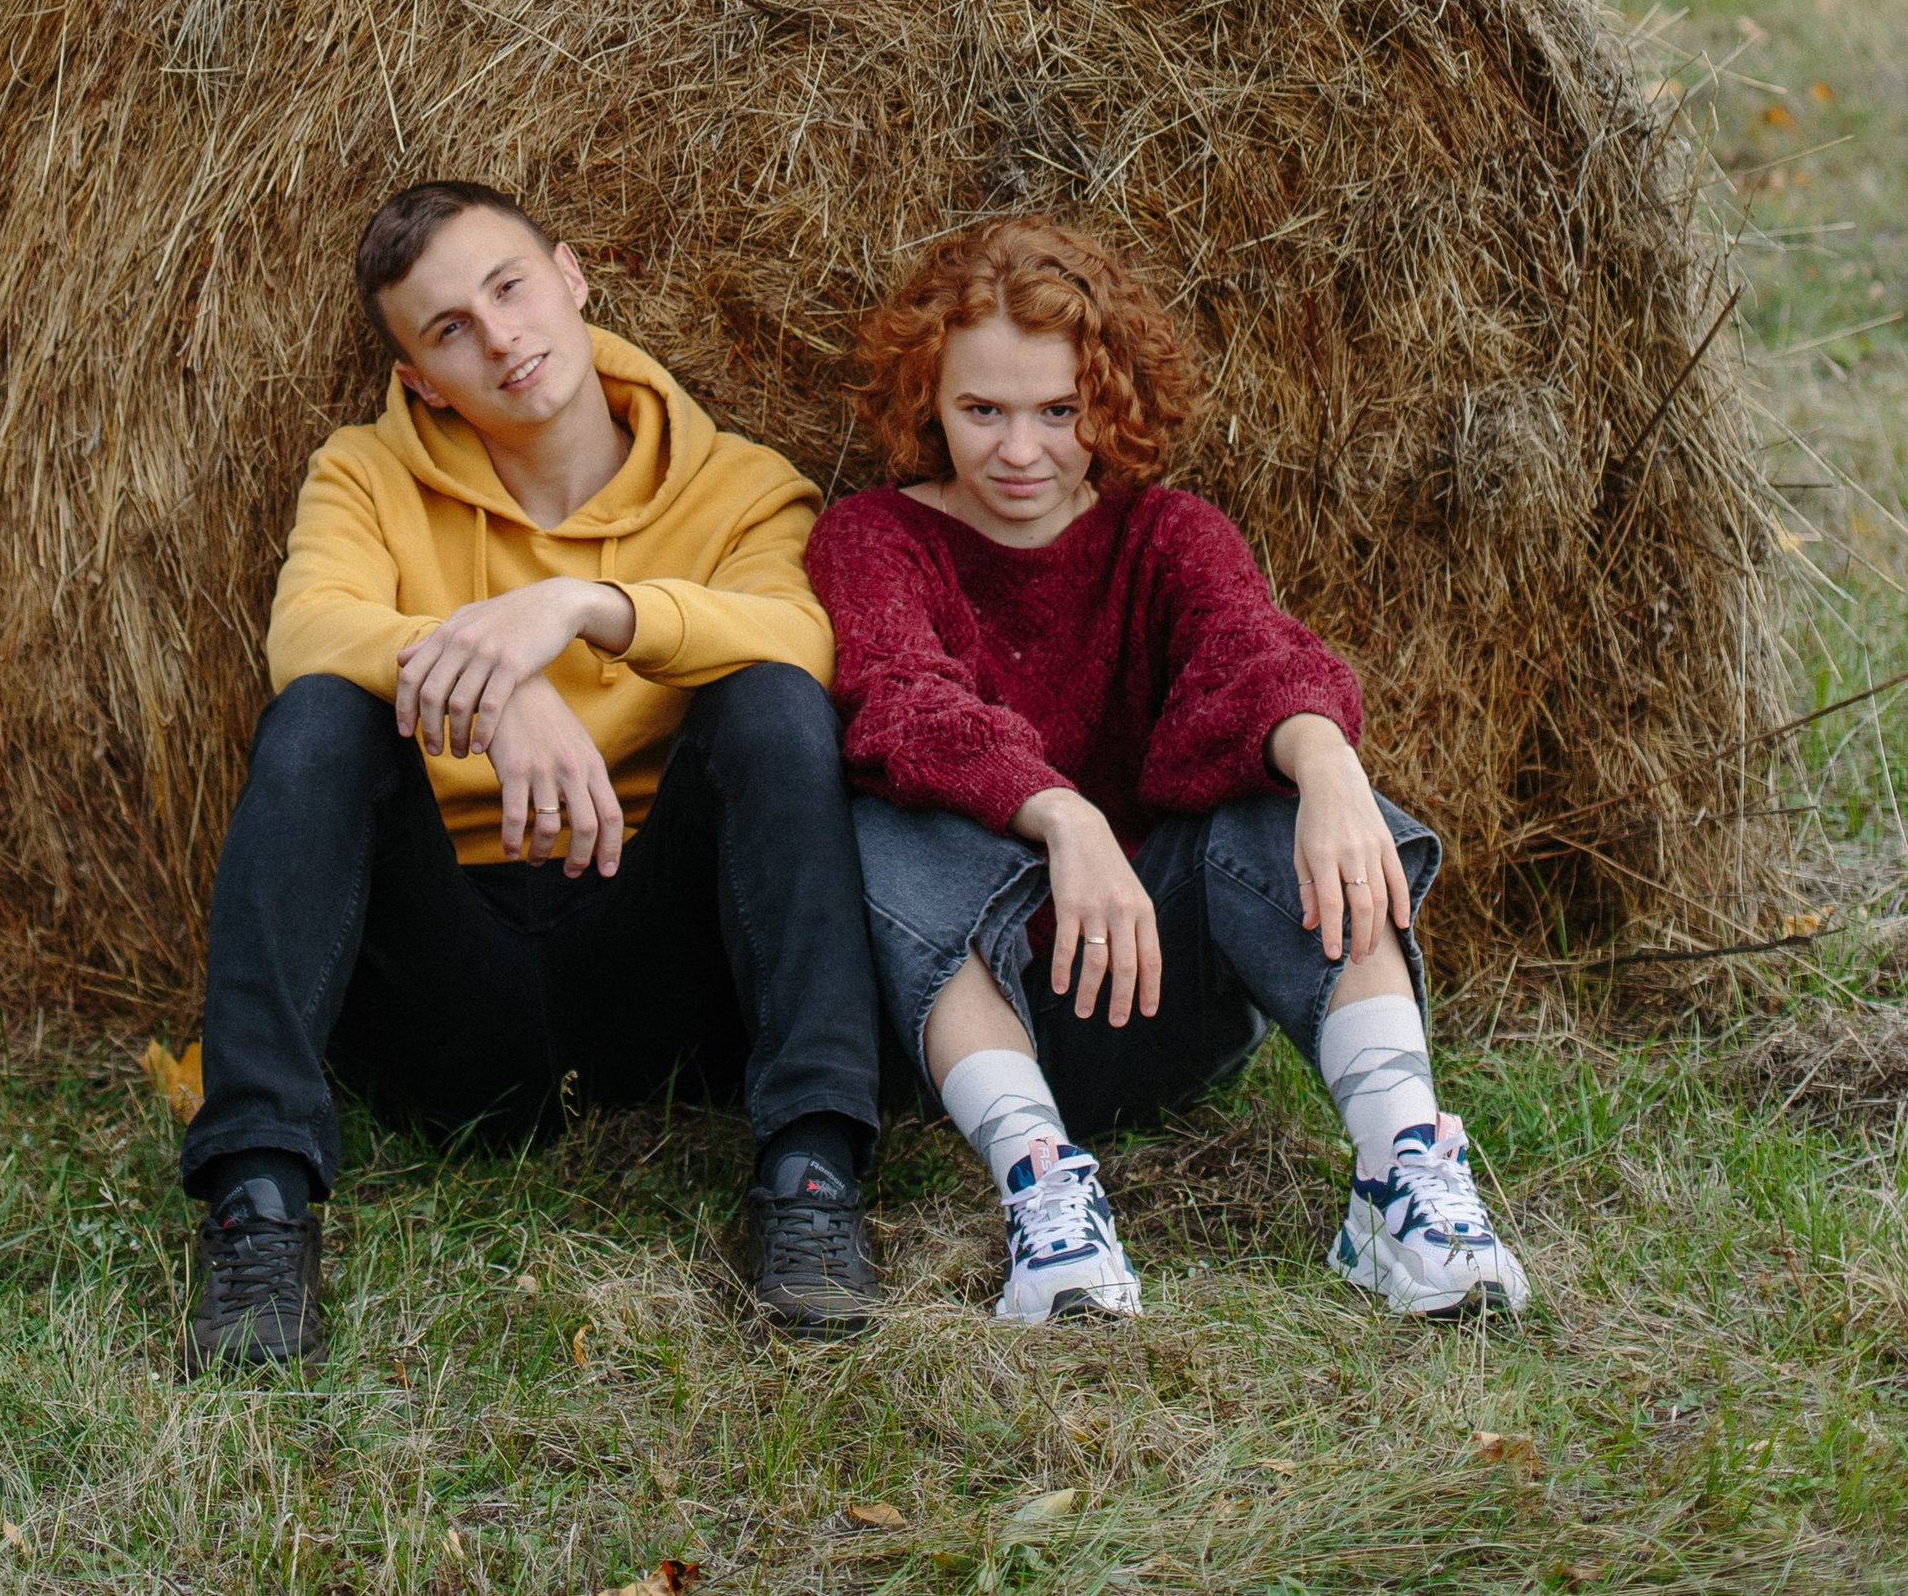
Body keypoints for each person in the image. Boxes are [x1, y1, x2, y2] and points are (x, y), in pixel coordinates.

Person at [179, 181, 886, 1368]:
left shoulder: (739, 486)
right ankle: (256, 1205)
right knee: (316, 718)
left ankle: (812, 1173)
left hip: (662, 973)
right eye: (449, 326)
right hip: (439, 983)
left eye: (509, 285)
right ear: (418, 379)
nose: (499, 334)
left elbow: (799, 639)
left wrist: (580, 609)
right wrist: (496, 686)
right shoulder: (362, 473)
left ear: (571, 274)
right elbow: (307, 629)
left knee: (769, 700)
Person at [806, 214, 1531, 1328]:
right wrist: (1063, 817)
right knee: (885, 804)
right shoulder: (872, 536)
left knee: (1278, 785)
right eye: (980, 409)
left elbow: (1249, 652)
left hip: (1159, 995)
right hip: (970, 1003)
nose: (1019, 449)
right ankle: (1044, 1200)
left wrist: (1331, 765)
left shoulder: (1166, 532)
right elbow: (904, 701)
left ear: (1110, 403)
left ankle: (1404, 1180)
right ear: (925, 399)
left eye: (1058, 411)